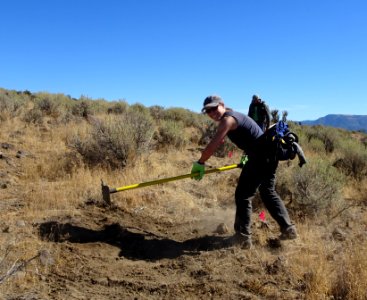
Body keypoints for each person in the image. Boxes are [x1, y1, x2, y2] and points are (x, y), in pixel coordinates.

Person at [191, 95, 297, 249]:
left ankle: (242, 238)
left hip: (261, 158)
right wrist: (245, 159)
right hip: (268, 156)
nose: (212, 113)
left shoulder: (228, 120)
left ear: (222, 105)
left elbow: (214, 144)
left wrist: (200, 163)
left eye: (214, 108)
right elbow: (252, 138)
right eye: (208, 111)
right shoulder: (235, 116)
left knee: (243, 195)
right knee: (268, 191)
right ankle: (288, 229)